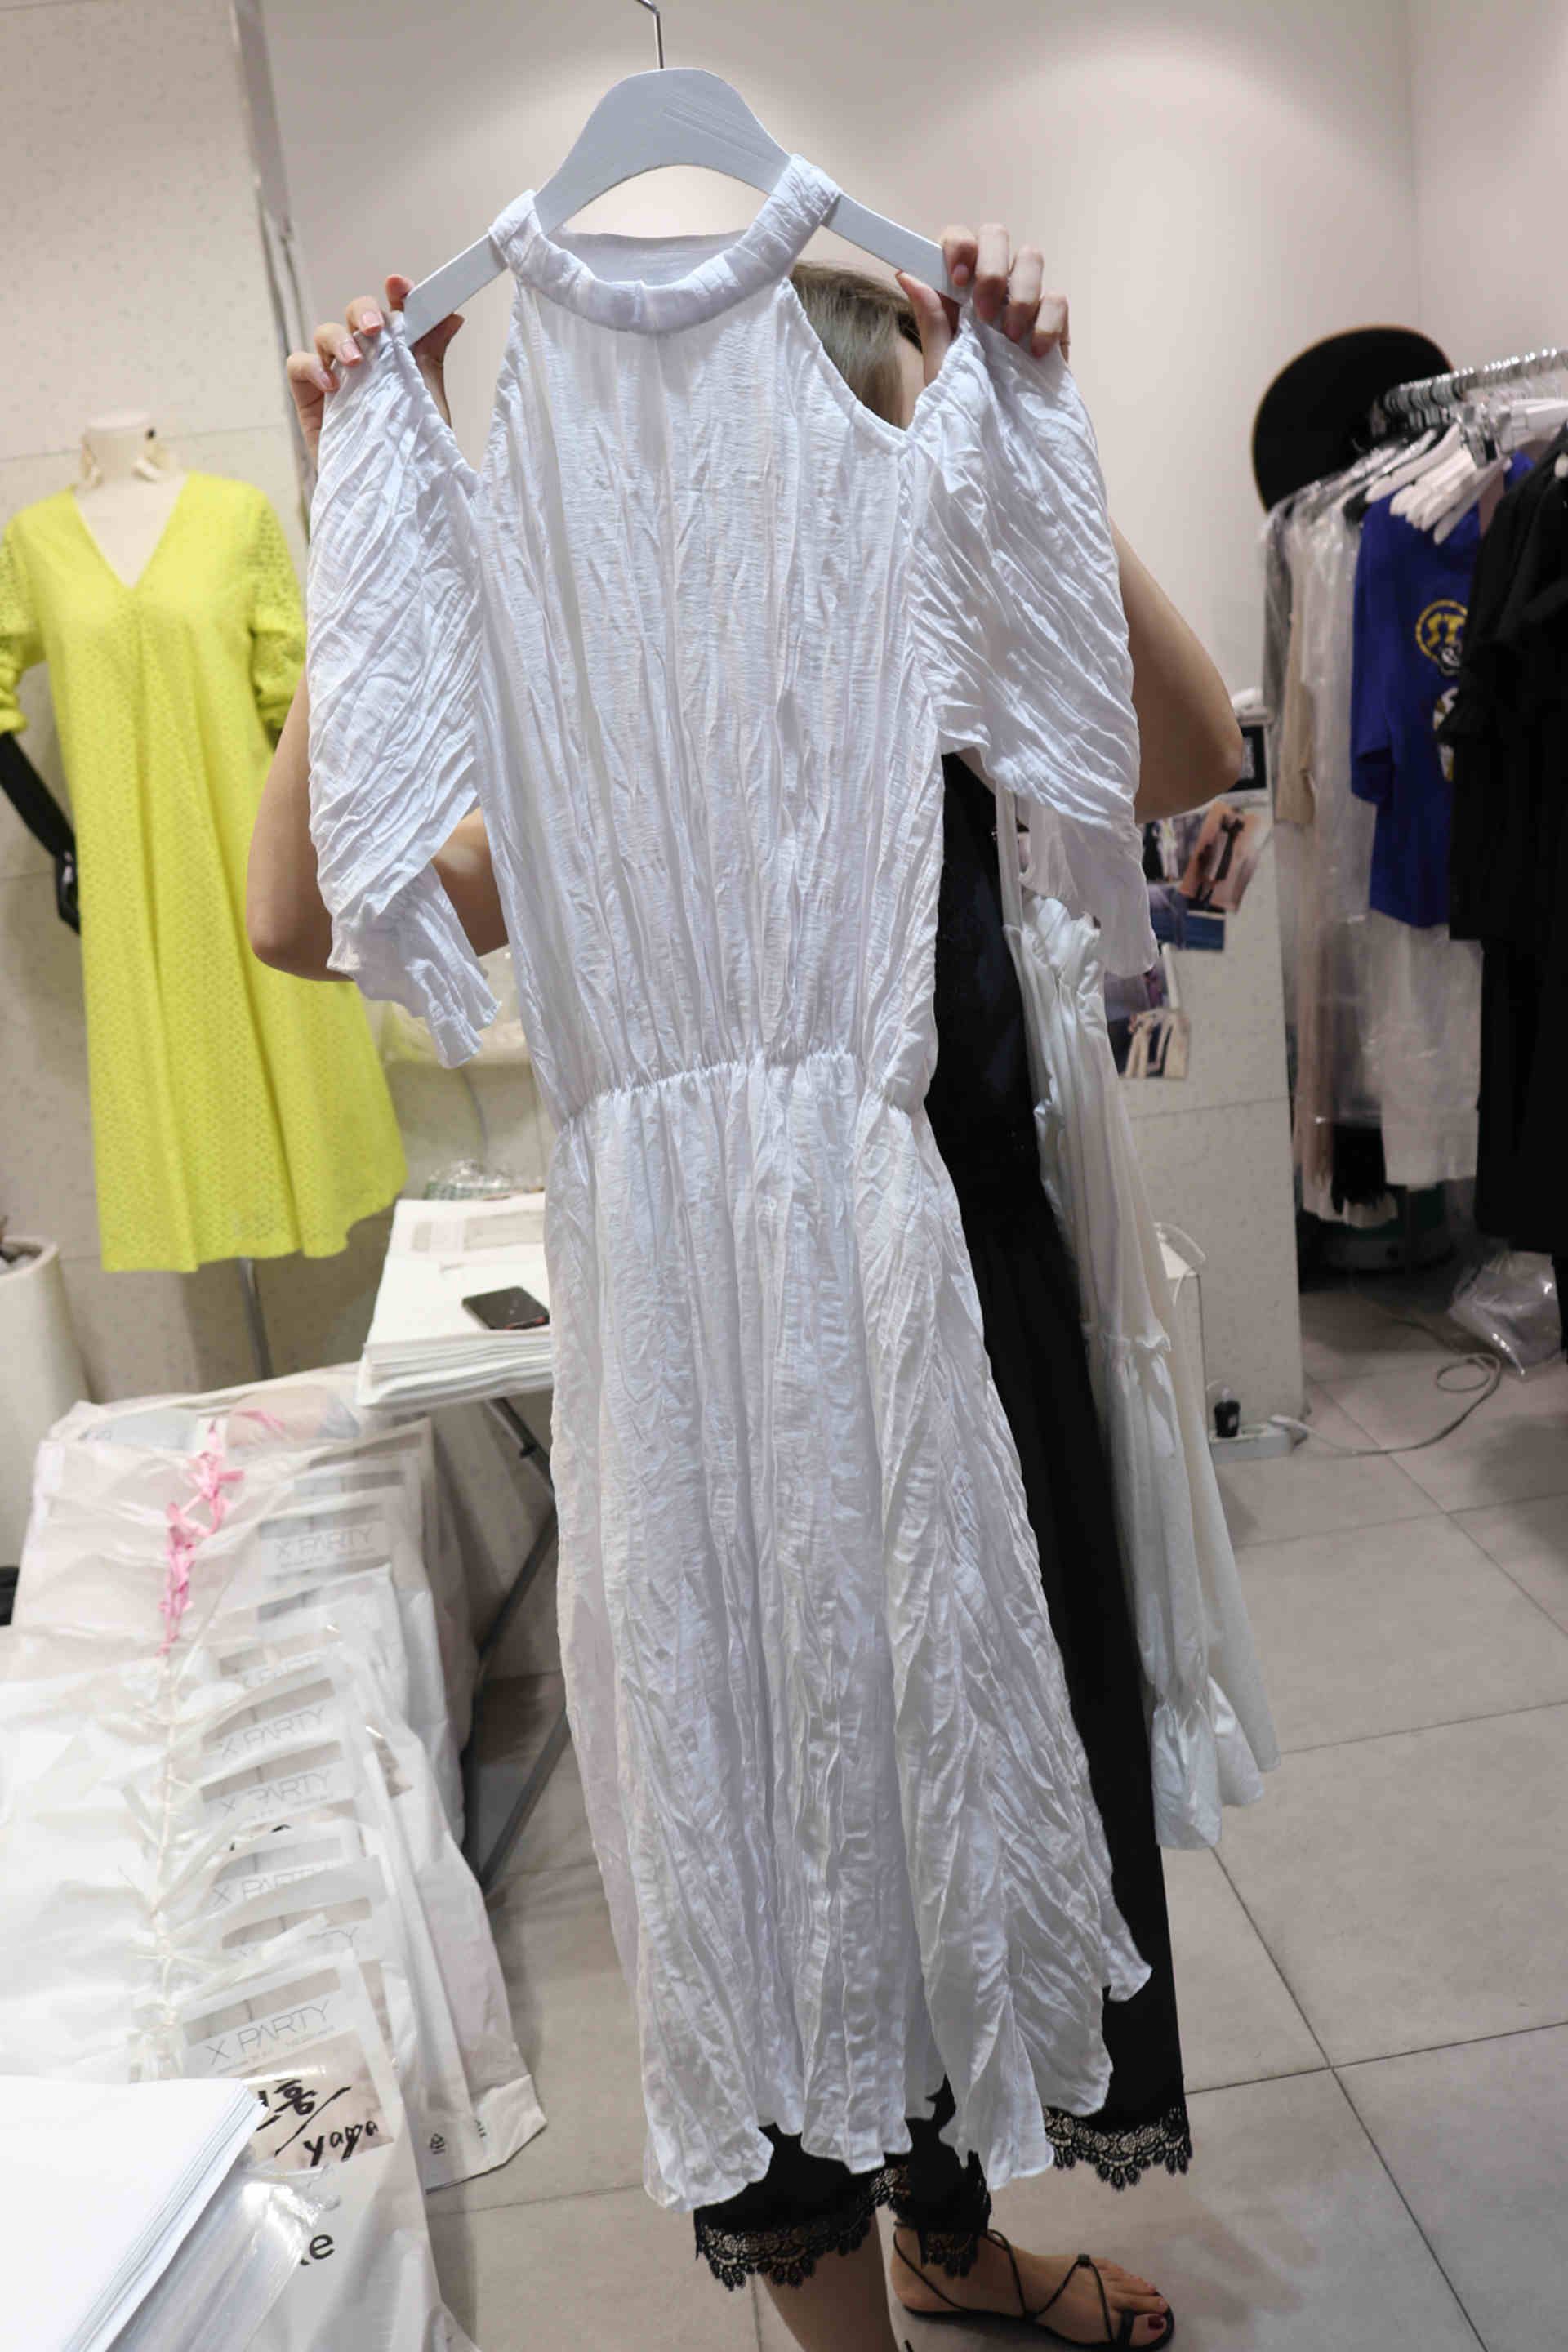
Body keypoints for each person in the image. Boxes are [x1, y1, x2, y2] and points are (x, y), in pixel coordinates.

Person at [251, 220, 1241, 2352]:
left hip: (968, 1340)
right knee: (770, 1862)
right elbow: (298, 916)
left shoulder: (941, 682)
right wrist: (367, 517)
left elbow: (1182, 756)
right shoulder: (604, 744)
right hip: (712, 1384)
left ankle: (956, 2247)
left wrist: (1030, 443)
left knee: (966, 1832)